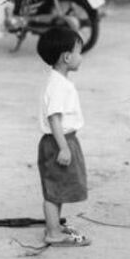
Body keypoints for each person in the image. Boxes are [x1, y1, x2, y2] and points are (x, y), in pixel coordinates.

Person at [36, 25, 91, 246]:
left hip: (63, 140)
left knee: (58, 187)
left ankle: (55, 226)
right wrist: (64, 147)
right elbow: (54, 118)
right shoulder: (58, 86)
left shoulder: (59, 81)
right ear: (67, 57)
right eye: (79, 52)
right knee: (54, 190)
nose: (81, 57)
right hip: (59, 142)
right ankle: (52, 233)